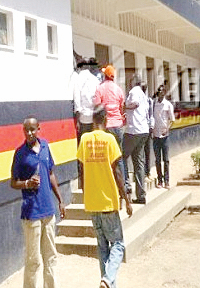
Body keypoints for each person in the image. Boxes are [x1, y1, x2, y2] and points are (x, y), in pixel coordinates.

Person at [77, 105, 133, 288]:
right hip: (108, 202)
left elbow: (82, 170)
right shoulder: (110, 139)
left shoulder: (84, 139)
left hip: (93, 203)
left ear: (93, 119)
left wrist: (86, 193)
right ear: (106, 119)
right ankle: (108, 279)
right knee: (117, 245)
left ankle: (107, 282)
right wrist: (126, 198)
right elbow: (117, 171)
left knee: (102, 248)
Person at [11, 116, 66, 288]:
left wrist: (60, 200)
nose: (29, 133)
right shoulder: (20, 153)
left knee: (51, 257)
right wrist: (27, 183)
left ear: (38, 129)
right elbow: (13, 182)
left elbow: (50, 174)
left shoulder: (45, 147)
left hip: (48, 211)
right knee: (33, 260)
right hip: (31, 214)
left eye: (32, 129)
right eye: (26, 130)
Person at [93, 64, 126, 181]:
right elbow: (122, 107)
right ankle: (124, 185)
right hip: (118, 125)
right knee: (119, 157)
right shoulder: (118, 89)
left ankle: (111, 182)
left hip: (107, 127)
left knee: (107, 158)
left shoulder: (100, 88)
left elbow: (97, 107)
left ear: (105, 75)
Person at [123, 76, 150, 204]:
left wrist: (123, 106)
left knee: (121, 157)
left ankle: (126, 187)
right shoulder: (143, 94)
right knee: (139, 162)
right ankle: (141, 195)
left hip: (134, 130)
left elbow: (134, 104)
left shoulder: (134, 91)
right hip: (143, 130)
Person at [73, 57, 100, 187]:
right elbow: (97, 99)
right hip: (94, 117)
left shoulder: (77, 78)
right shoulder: (95, 79)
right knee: (93, 147)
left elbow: (77, 99)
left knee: (83, 147)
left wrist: (77, 119)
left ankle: (83, 179)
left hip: (83, 117)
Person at [151, 85, 175, 189]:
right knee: (157, 159)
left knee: (166, 159)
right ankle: (159, 180)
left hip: (165, 136)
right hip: (155, 135)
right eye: (158, 91)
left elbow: (172, 120)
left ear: (164, 93)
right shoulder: (153, 104)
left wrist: (167, 129)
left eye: (161, 91)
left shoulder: (168, 105)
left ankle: (167, 181)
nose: (160, 93)